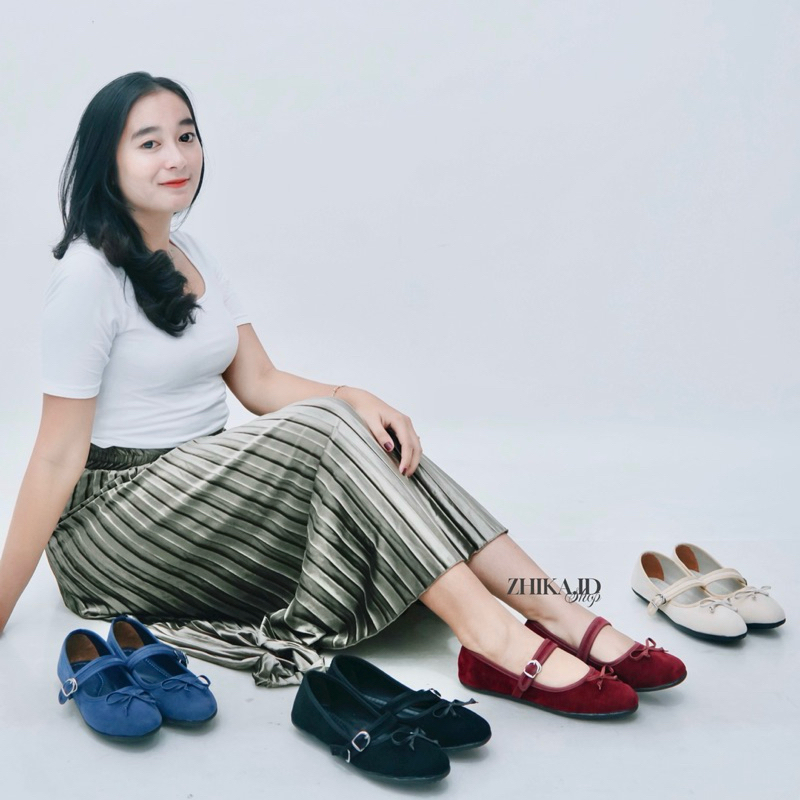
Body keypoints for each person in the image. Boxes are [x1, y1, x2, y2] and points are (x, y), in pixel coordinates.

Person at [0, 72, 683, 713]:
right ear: (107, 161)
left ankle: (557, 611)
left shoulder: (192, 252)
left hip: (208, 498)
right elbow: (56, 458)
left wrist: (355, 395)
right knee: (328, 424)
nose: (176, 156)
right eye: (148, 143)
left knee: (366, 435)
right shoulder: (88, 277)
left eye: (186, 135)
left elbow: (259, 383)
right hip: (118, 524)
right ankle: (492, 639)